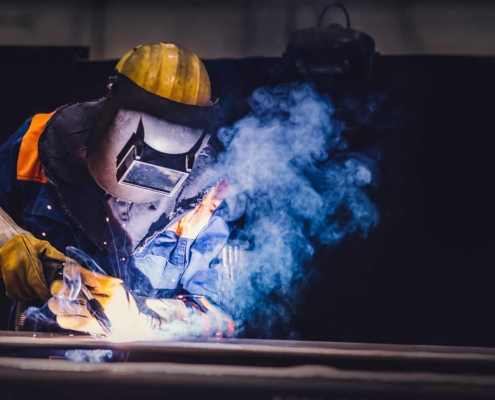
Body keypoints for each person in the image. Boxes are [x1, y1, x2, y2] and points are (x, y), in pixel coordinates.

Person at [0, 43, 234, 338]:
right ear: (112, 106)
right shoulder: (38, 142)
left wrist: (142, 318)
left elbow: (223, 317)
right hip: (34, 364)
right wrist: (12, 246)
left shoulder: (207, 196)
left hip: (146, 377)